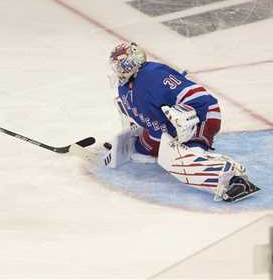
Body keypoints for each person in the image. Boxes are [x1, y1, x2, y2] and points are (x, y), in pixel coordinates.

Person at [108, 42, 259, 202]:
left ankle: (233, 180)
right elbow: (148, 119)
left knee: (183, 160)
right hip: (171, 127)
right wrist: (137, 145)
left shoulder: (153, 74)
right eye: (116, 64)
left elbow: (200, 98)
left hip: (200, 116)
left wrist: (184, 115)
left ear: (133, 60)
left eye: (122, 62)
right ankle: (177, 149)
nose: (119, 68)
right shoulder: (123, 87)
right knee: (145, 150)